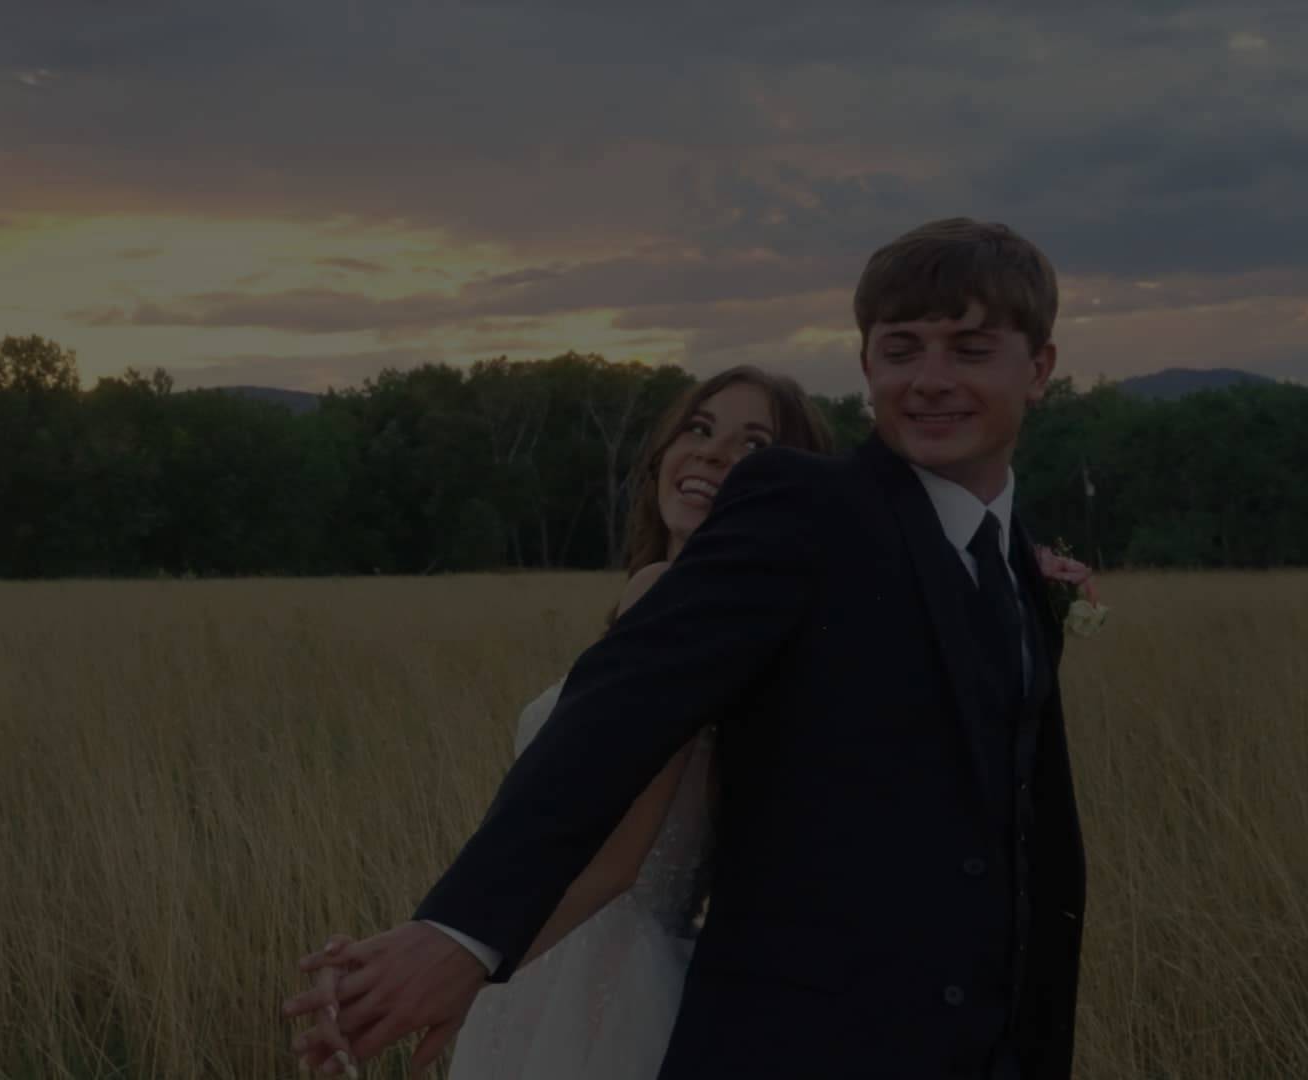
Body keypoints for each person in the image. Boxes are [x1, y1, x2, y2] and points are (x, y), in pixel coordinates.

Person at [285, 217, 1087, 1080]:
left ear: (1039, 368)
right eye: (900, 350)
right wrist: (463, 935)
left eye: (970, 350)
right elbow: (621, 710)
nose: (929, 380)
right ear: (865, 365)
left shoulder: (1021, 572)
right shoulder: (805, 508)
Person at [435, 367, 834, 1079]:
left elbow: (616, 862)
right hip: (604, 963)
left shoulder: (665, 594)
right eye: (699, 428)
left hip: (589, 973)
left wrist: (464, 964)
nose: (712, 452)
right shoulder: (737, 627)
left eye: (754, 446)